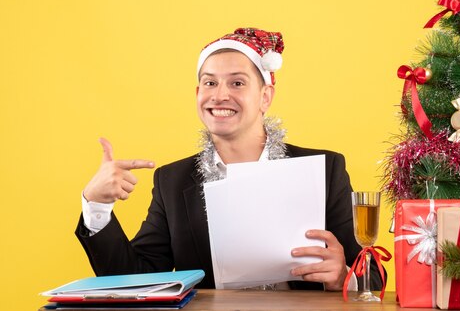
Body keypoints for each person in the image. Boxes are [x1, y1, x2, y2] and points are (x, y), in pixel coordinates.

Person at [76, 28, 383, 291]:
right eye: (210, 83)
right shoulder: (172, 181)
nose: (219, 95)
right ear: (198, 93)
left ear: (265, 97)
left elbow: (370, 278)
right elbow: (137, 282)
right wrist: (97, 207)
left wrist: (343, 277)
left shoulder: (324, 169)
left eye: (237, 83)